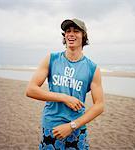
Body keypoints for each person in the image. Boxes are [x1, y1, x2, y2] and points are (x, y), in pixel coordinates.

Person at [26, 18, 104, 150]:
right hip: (52, 126)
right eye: (67, 31)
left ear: (83, 35)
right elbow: (30, 90)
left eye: (76, 31)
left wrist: (72, 126)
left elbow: (99, 105)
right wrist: (64, 97)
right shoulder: (52, 59)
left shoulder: (92, 68)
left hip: (77, 127)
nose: (71, 34)